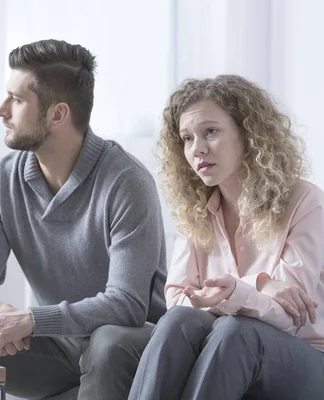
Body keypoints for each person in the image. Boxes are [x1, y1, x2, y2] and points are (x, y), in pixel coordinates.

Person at [0, 39, 167, 400]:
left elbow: (127, 304)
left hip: (126, 352)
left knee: (109, 339)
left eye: (17, 100)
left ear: (58, 115)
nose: (1, 110)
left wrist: (31, 320)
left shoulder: (127, 182)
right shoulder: (5, 179)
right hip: (56, 350)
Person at [129, 75, 324, 400]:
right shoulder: (196, 213)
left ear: (249, 134)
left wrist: (237, 290)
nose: (197, 149)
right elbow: (177, 299)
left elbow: (292, 317)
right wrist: (261, 286)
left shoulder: (307, 203)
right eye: (187, 138)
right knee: (179, 322)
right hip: (229, 345)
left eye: (211, 132)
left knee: (236, 331)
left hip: (307, 358)